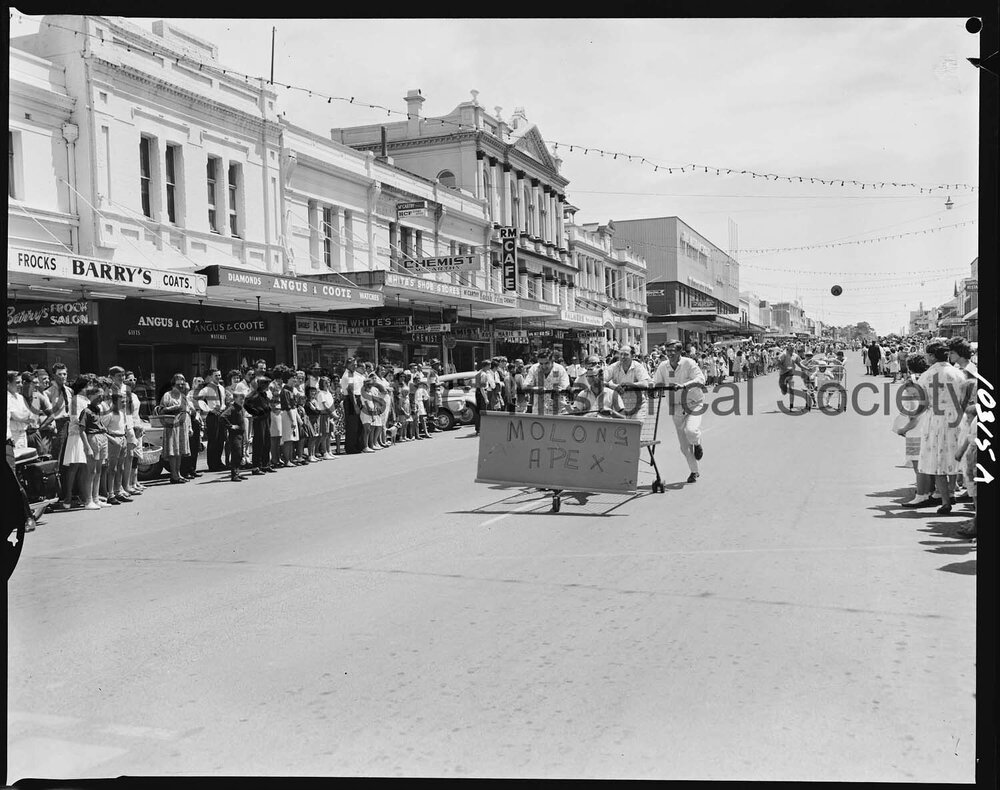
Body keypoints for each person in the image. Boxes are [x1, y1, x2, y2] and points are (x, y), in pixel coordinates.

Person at [915, 339, 967, 515]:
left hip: (936, 419)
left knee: (938, 460)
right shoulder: (959, 374)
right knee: (954, 456)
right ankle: (952, 492)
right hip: (957, 417)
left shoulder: (926, 376)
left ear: (931, 356)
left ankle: (945, 501)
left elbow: (923, 402)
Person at [651, 340, 706, 483]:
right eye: (667, 351)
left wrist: (684, 385)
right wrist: (652, 388)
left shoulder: (689, 363)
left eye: (672, 350)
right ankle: (694, 471)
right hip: (676, 407)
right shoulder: (663, 366)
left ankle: (697, 442)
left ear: (680, 351)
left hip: (694, 403)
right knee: (684, 447)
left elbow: (701, 379)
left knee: (691, 431)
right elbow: (656, 381)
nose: (669, 353)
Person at [57, 375, 93, 508]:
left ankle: (84, 497)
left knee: (83, 467)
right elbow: (75, 418)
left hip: (83, 435)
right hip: (76, 435)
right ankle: (67, 498)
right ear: (84, 387)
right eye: (89, 385)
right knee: (74, 467)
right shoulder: (76, 400)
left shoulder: (86, 399)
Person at [603, 344, 650, 419]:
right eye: (621, 354)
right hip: (619, 406)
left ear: (633, 356)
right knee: (621, 429)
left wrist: (628, 385)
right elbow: (599, 381)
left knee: (635, 428)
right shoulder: (613, 367)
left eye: (626, 354)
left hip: (637, 406)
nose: (622, 357)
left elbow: (645, 383)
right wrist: (611, 385)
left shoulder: (638, 366)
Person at [159, 373, 190, 484]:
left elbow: (187, 411)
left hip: (182, 425)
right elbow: (161, 410)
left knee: (179, 451)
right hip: (171, 425)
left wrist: (189, 426)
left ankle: (178, 474)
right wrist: (174, 407)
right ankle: (174, 475)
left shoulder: (183, 396)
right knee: (173, 451)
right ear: (174, 382)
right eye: (179, 380)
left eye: (183, 380)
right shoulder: (168, 395)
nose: (181, 382)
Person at [522, 348, 571, 418]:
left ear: (552, 360)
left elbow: (566, 386)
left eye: (547, 363)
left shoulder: (560, 369)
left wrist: (561, 390)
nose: (544, 366)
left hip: (558, 411)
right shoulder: (534, 369)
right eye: (541, 363)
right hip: (539, 411)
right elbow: (524, 387)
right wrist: (535, 389)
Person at [244, 376, 274, 475]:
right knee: (259, 442)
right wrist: (255, 412)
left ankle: (265, 465)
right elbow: (246, 404)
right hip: (259, 420)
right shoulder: (254, 394)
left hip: (266, 419)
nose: (267, 386)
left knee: (267, 441)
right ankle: (256, 466)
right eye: (265, 384)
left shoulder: (263, 394)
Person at [197, 369, 226, 472]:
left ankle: (219, 462)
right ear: (211, 377)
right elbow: (199, 400)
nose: (218, 377)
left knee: (221, 440)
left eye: (219, 375)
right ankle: (212, 464)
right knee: (213, 440)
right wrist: (209, 410)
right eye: (216, 375)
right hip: (213, 416)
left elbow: (224, 402)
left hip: (221, 414)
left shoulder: (222, 388)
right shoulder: (207, 388)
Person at [219, 389, 248, 482]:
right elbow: (223, 416)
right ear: (234, 399)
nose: (242, 400)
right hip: (235, 435)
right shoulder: (232, 408)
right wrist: (230, 426)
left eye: (243, 398)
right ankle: (234, 474)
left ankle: (237, 472)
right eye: (240, 398)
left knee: (240, 454)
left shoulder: (240, 408)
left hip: (240, 434)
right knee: (236, 454)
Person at [776, 343, 806, 410]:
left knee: (792, 390)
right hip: (783, 375)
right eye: (791, 346)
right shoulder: (783, 354)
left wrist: (806, 368)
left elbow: (800, 364)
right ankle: (783, 389)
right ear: (788, 347)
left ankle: (791, 406)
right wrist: (785, 368)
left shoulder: (795, 355)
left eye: (793, 346)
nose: (792, 347)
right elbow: (778, 363)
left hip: (790, 375)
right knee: (784, 392)